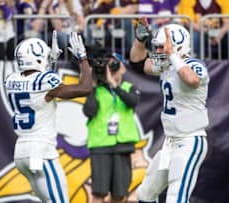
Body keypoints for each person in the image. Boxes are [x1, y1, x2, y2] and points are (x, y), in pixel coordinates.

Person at [4, 31, 92, 202]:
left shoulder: (11, 79)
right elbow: (85, 88)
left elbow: (39, 90)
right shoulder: (44, 81)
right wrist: (83, 58)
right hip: (41, 151)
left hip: (21, 152)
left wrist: (51, 64)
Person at [129, 17, 209, 203]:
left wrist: (172, 55)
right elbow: (138, 63)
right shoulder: (166, 65)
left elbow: (192, 80)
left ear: (177, 46)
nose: (157, 51)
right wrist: (140, 40)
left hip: (190, 140)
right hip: (171, 142)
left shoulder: (194, 65)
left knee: (176, 198)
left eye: (161, 47)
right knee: (144, 195)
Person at [83, 48, 141, 203]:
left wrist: (114, 86)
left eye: (114, 66)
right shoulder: (96, 90)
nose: (110, 70)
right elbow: (89, 111)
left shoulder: (129, 88)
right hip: (101, 146)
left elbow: (132, 102)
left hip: (122, 146)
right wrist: (93, 86)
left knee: (119, 194)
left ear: (122, 68)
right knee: (99, 192)